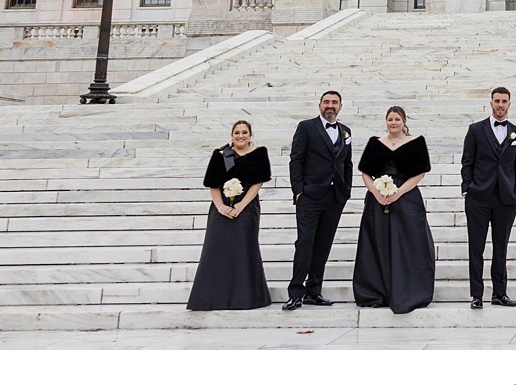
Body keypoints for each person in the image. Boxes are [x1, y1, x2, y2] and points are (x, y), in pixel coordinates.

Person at [353, 106, 435, 313]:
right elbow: (365, 173)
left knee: (409, 241)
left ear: (404, 121)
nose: (393, 122)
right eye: (390, 119)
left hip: (407, 200)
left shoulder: (415, 143)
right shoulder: (376, 144)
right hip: (377, 202)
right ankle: (377, 291)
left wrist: (398, 193)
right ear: (386, 121)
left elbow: (420, 174)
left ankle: (409, 289)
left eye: (397, 119)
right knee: (378, 241)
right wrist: (377, 193)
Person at [186, 120, 272, 310]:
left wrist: (241, 205)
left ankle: (245, 298)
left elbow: (258, 182)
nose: (240, 136)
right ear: (231, 135)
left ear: (250, 134)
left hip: (247, 207)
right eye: (237, 133)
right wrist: (220, 207)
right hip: (221, 207)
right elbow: (213, 184)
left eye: (244, 132)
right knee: (216, 250)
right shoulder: (220, 155)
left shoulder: (259, 153)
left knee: (244, 249)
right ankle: (211, 298)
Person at [284, 90, 353, 310]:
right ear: (319, 105)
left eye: (334, 102)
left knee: (323, 244)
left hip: (334, 197)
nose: (330, 105)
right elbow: (296, 159)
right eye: (326, 102)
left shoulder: (345, 131)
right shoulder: (306, 127)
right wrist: (298, 191)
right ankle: (296, 292)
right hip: (310, 196)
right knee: (305, 242)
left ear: (340, 106)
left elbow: (347, 162)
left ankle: (314, 291)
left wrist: (346, 190)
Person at [461, 86, 516, 308]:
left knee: (501, 247)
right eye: (497, 101)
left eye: (504, 101)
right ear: (491, 103)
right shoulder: (475, 130)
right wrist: (467, 187)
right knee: (476, 247)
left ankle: (499, 293)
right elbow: (467, 161)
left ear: (509, 104)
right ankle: (476, 295)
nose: (500, 105)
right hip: (478, 196)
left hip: (506, 198)